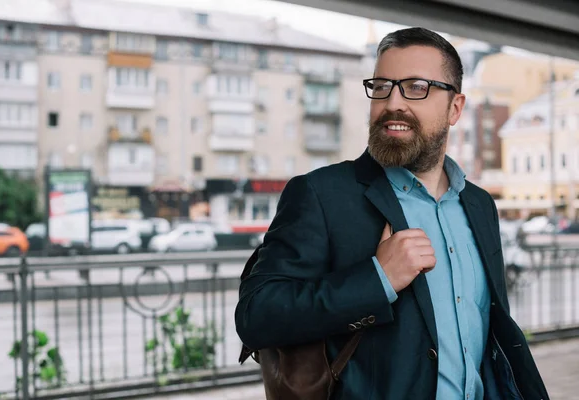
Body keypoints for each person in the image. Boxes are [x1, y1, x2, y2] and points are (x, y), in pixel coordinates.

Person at [235, 27, 549, 400]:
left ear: (455, 108)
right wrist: (377, 279)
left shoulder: (480, 205)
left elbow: (491, 335)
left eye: (416, 87)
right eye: (382, 86)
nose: (393, 102)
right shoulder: (322, 194)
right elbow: (256, 316)